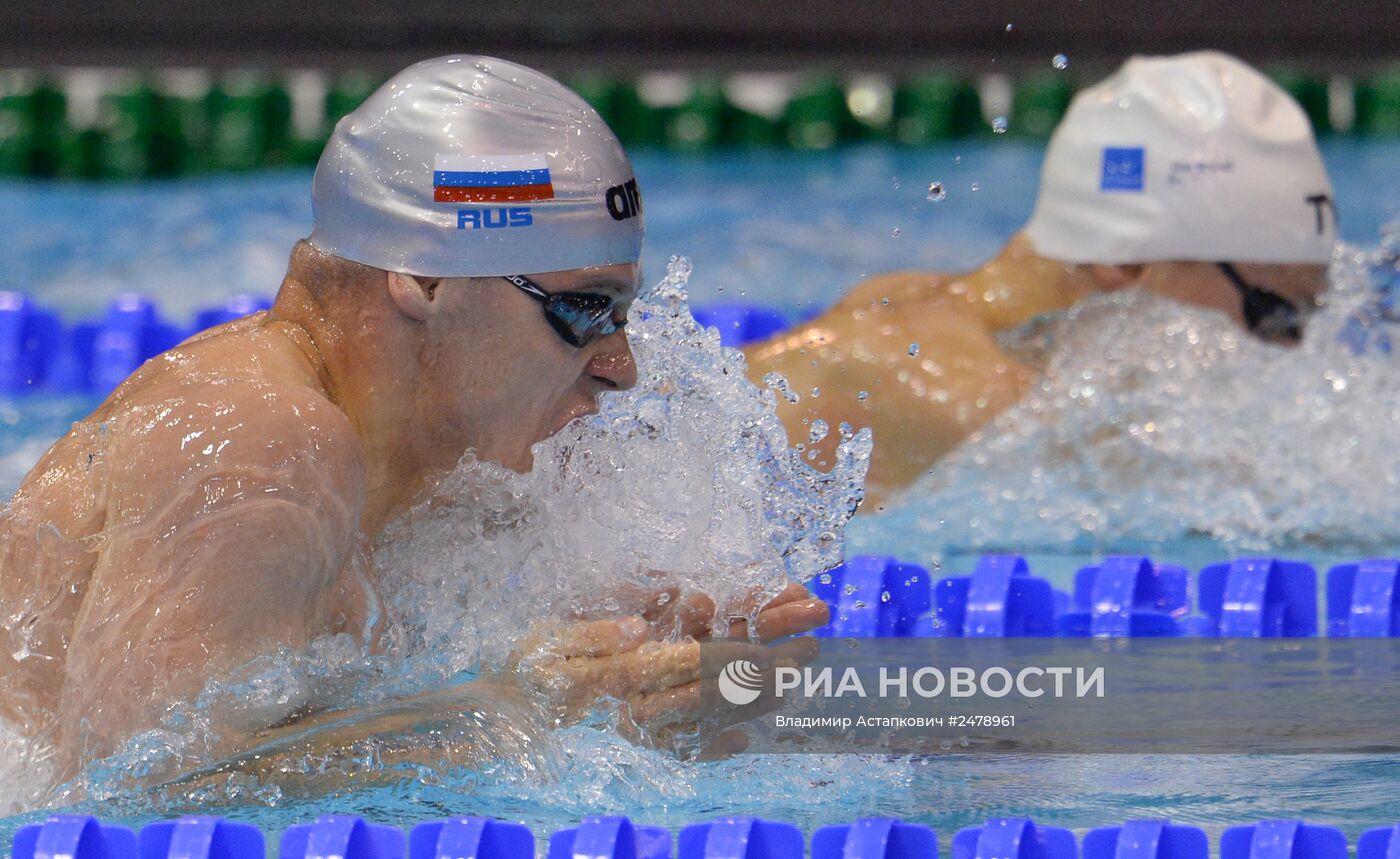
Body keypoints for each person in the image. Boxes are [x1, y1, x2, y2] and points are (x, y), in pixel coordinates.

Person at [0, 55, 827, 785]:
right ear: (425, 281)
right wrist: (503, 718)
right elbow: (134, 794)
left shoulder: (425, 457)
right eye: (582, 309)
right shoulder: (264, 444)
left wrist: (640, 670)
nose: (622, 364)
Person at [744, 51, 1338, 504]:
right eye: (1275, 313)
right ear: (1128, 262)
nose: (1290, 353)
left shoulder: (911, 300)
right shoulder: (974, 405)